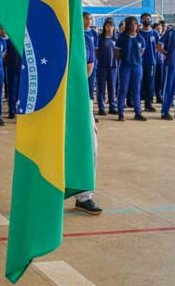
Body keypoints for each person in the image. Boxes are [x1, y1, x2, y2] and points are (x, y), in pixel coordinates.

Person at [75, 16, 102, 215]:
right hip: (54, 101)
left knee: (88, 144)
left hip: (81, 98)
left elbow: (88, 67)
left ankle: (84, 195)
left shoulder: (86, 39)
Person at [115, 16, 146, 121]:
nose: (134, 26)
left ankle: (138, 112)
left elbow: (142, 51)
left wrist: (136, 59)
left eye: (135, 24)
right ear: (128, 25)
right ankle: (120, 112)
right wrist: (124, 59)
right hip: (125, 66)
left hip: (137, 67)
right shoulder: (122, 37)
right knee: (123, 89)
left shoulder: (140, 38)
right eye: (132, 24)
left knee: (137, 89)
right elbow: (116, 52)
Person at [96, 18, 118, 117]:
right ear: (104, 27)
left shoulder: (116, 39)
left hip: (113, 66)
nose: (109, 28)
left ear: (114, 27)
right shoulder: (100, 38)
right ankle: (101, 107)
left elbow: (119, 53)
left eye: (111, 26)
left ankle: (112, 107)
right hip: (102, 66)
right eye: (107, 26)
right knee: (101, 88)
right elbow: (97, 52)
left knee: (112, 87)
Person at [138, 13, 159, 112]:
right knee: (139, 83)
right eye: (144, 19)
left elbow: (158, 47)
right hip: (139, 62)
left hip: (151, 62)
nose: (147, 20)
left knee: (150, 84)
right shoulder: (138, 33)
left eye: (148, 18)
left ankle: (148, 103)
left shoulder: (155, 33)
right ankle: (137, 103)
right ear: (141, 20)